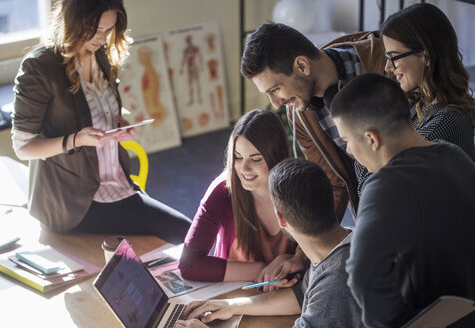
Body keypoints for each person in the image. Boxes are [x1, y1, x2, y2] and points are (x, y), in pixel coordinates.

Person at [12, 0, 191, 243]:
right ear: (72, 20)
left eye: (109, 30)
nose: (103, 38)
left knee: (188, 234)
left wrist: (116, 124)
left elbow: (95, 110)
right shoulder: (39, 67)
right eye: (96, 30)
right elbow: (23, 148)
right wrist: (76, 140)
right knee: (182, 235)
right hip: (72, 202)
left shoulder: (100, 55)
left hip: (117, 185)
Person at [330, 73, 475, 327]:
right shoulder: (454, 155)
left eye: (347, 141)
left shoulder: (385, 184)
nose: (350, 151)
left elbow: (363, 276)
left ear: (371, 139)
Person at [175, 158, 364, 328]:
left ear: (281, 219)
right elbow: (300, 296)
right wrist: (232, 305)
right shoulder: (342, 244)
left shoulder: (335, 283)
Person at [240, 23, 390, 220]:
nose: (276, 104)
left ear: (302, 66)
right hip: (372, 212)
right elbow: (332, 184)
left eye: (275, 89)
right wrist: (313, 241)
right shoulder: (301, 112)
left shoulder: (386, 63)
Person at [353, 2, 475, 194]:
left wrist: (365, 145)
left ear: (425, 56)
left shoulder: (448, 122)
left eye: (393, 57)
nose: (388, 67)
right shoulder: (420, 107)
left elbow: (376, 189)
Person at [179, 109, 305, 288]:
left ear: (276, 157)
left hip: (287, 292)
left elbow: (325, 242)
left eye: (255, 159)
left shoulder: (299, 188)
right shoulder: (222, 190)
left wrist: (295, 258)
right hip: (235, 292)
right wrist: (261, 270)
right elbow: (189, 264)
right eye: (237, 157)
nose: (244, 169)